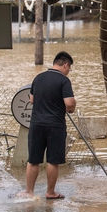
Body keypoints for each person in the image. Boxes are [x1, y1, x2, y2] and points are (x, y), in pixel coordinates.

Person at [22, 51, 76, 199]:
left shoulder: (38, 78)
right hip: (55, 125)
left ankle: (28, 191)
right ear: (65, 65)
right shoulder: (64, 81)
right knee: (53, 160)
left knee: (33, 160)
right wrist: (69, 108)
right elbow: (70, 104)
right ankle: (50, 192)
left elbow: (32, 100)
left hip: (36, 124)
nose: (68, 71)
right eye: (69, 68)